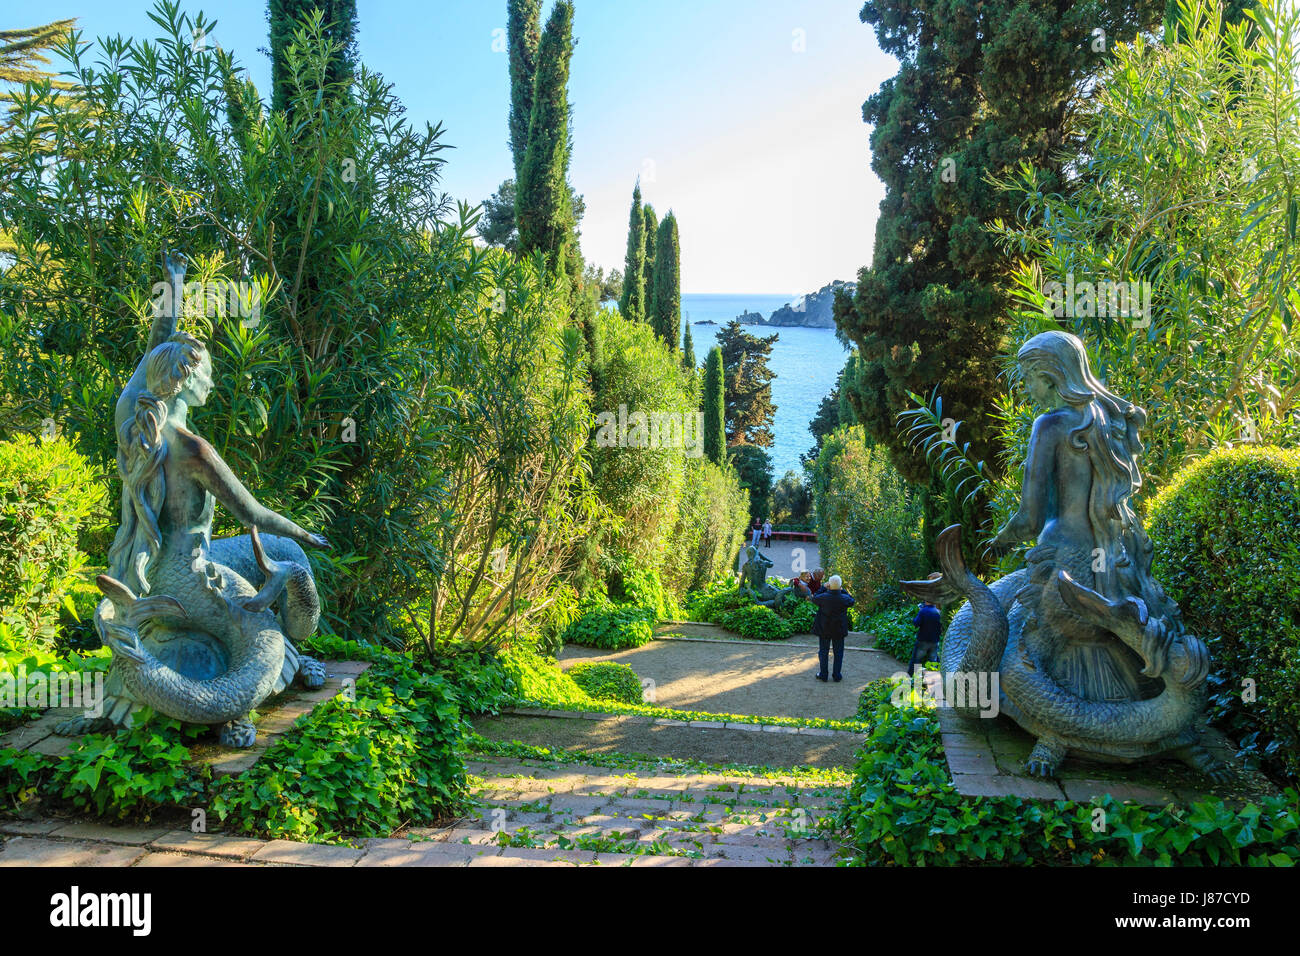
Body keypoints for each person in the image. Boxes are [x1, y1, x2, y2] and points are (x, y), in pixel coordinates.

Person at [811, 575, 855, 682]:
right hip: (839, 629)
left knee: (823, 652)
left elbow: (814, 597)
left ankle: (823, 674)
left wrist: (823, 587)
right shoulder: (844, 598)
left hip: (824, 628)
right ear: (840, 586)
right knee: (838, 652)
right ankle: (837, 675)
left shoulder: (823, 597)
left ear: (829, 585)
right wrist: (842, 590)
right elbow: (852, 600)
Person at [909, 599, 942, 678]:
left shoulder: (923, 611)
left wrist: (919, 612)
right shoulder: (939, 612)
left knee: (916, 661)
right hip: (935, 641)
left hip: (923, 641)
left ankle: (912, 679)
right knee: (933, 662)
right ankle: (934, 682)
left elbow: (916, 623)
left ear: (926, 601)